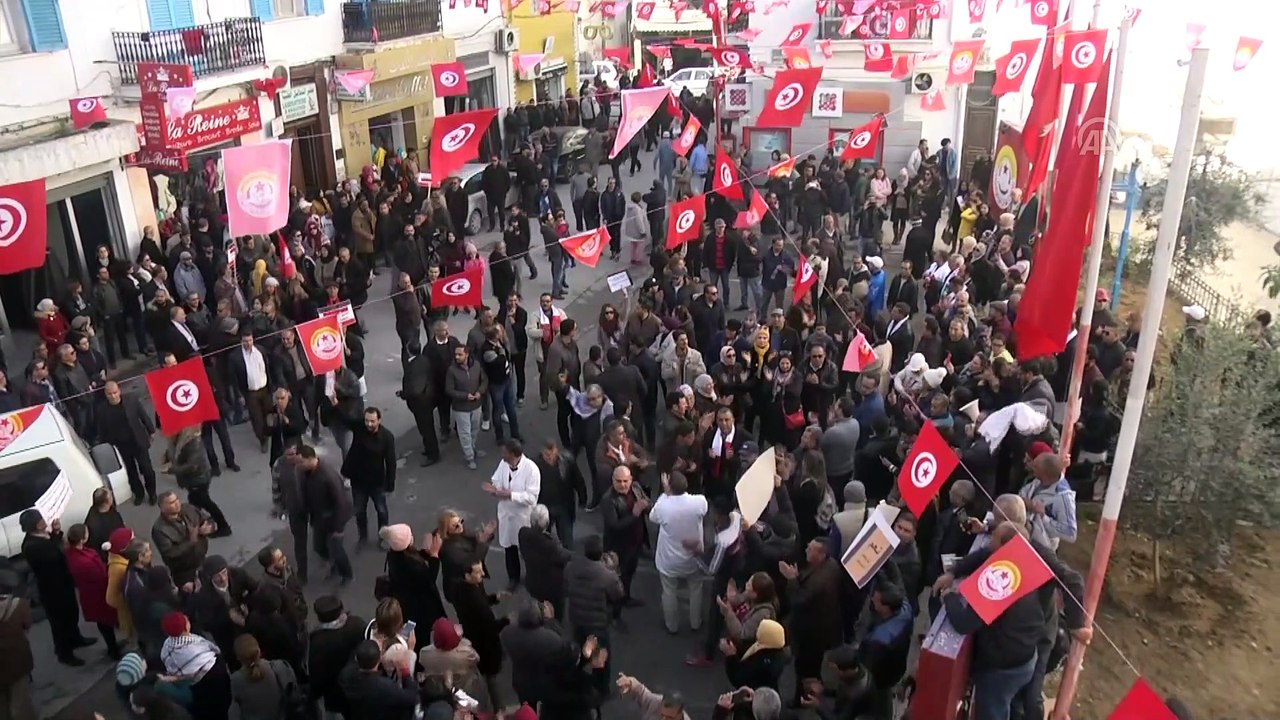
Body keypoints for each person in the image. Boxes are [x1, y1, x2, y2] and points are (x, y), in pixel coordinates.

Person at [20, 510, 96, 666]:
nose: (44, 520)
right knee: (60, 623)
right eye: (41, 519)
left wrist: (55, 532)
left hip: (64, 583)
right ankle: (64, 653)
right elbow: (54, 555)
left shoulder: (43, 536)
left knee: (72, 613)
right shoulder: (32, 546)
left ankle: (76, 638)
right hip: (53, 590)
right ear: (36, 525)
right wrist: (58, 541)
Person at [649, 472, 709, 635]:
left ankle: (672, 625)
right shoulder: (699, 502)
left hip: (669, 559)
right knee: (696, 590)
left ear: (669, 486)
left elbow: (653, 517)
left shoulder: (663, 505)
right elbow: (704, 510)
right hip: (693, 558)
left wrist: (665, 493)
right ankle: (695, 622)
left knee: (669, 592)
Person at [482, 439, 541, 589]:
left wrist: (511, 495)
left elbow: (531, 498)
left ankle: (534, 578)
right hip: (506, 514)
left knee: (527, 551)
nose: (502, 454)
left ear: (513, 454)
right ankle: (513, 578)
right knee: (509, 548)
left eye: (505, 452)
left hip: (522, 517)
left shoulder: (531, 470)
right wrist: (495, 489)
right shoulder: (504, 464)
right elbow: (496, 479)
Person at [64, 523, 123, 660]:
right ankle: (113, 650)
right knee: (105, 622)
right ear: (82, 539)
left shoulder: (72, 554)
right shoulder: (84, 562)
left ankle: (112, 647)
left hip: (91, 593)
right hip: (98, 594)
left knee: (104, 622)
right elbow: (101, 576)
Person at [298, 445, 355, 585]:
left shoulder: (327, 476)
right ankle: (332, 563)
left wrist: (338, 528)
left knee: (337, 549)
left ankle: (347, 574)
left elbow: (340, 502)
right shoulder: (307, 472)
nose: (299, 465)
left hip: (333, 519)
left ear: (310, 459)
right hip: (319, 518)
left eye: (301, 462)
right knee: (318, 547)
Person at [160, 611, 233, 720]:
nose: (188, 619)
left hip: (195, 688)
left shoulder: (166, 646)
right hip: (213, 682)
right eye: (186, 620)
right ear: (185, 628)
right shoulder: (196, 650)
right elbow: (212, 656)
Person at [342, 407, 397, 547]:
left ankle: (383, 538)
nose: (369, 424)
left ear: (379, 420)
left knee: (382, 511)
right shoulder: (360, 428)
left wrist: (390, 485)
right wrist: (335, 404)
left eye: (372, 421)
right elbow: (346, 419)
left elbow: (391, 462)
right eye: (366, 420)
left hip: (376, 481)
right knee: (359, 511)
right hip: (358, 480)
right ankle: (363, 538)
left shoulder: (387, 437)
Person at [98, 380, 158, 505]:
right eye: (110, 394)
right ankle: (139, 493)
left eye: (115, 392)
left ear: (119, 391)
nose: (113, 396)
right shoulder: (102, 409)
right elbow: (102, 429)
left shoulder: (131, 400)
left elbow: (143, 415)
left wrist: (151, 430)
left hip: (137, 441)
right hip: (121, 446)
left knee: (147, 469)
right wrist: (107, 447)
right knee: (131, 473)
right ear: (105, 394)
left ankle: (152, 493)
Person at [309, 596, 366, 719]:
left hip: (334, 691)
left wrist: (315, 693)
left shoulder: (318, 642)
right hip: (358, 683)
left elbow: (317, 674)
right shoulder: (357, 624)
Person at [380, 524, 446, 630]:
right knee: (419, 632)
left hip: (405, 606)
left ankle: (408, 637)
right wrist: (434, 556)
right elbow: (429, 580)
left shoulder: (394, 555)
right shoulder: (413, 565)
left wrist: (425, 553)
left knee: (408, 627)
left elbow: (415, 554)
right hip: (418, 610)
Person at [518, 505, 572, 617]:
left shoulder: (523, 534)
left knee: (537, 610)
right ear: (547, 523)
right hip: (551, 588)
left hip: (533, 582)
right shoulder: (551, 545)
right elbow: (566, 557)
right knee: (556, 612)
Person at [229, 634, 299, 720]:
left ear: (238, 658)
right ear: (259, 650)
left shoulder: (236, 680)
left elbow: (235, 712)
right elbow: (294, 695)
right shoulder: (279, 667)